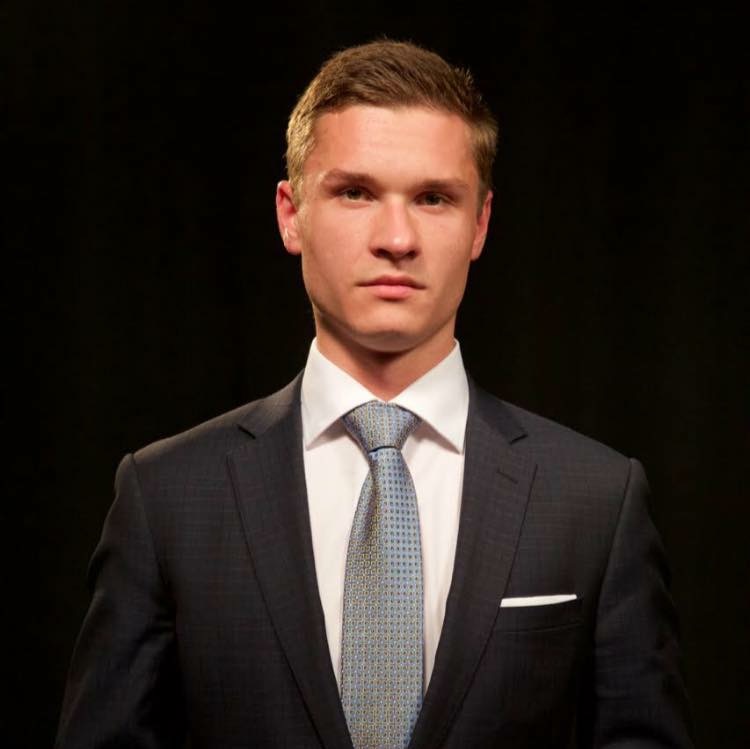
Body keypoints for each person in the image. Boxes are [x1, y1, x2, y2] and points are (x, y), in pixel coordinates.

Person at [56, 40, 694, 748]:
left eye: (433, 198)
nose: (397, 238)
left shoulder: (595, 501)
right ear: (291, 213)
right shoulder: (166, 497)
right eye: (355, 192)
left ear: (480, 223)